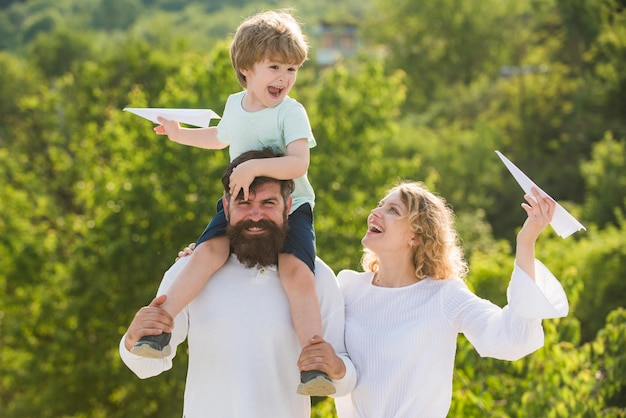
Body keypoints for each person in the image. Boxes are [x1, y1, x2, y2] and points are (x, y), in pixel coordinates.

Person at [131, 9, 333, 395]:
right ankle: (159, 326)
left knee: (296, 272)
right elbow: (221, 137)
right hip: (239, 202)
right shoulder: (234, 104)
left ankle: (313, 359)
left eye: (291, 70)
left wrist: (255, 164)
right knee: (204, 254)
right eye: (274, 67)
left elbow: (298, 163)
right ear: (245, 68)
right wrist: (179, 135)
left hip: (290, 208)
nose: (283, 79)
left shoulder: (291, 112)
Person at [119, 149, 356, 418]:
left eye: (268, 203)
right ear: (226, 207)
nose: (256, 215)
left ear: (288, 207)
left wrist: (336, 367)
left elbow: (343, 381)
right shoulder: (189, 271)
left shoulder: (316, 277)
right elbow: (146, 366)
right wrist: (131, 338)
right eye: (244, 203)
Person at [324, 181, 569, 418]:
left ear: (416, 237)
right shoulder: (348, 287)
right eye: (379, 205)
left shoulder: (444, 296)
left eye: (392, 210)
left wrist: (525, 242)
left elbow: (512, 337)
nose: (375, 213)